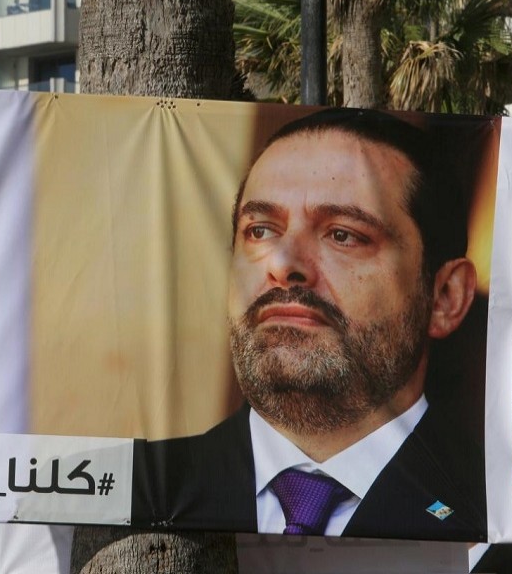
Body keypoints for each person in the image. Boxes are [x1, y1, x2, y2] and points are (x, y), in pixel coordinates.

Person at [131, 108, 488, 542]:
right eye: (260, 230)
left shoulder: (500, 517)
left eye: (343, 234)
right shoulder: (134, 495)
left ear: (445, 297)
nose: (283, 264)